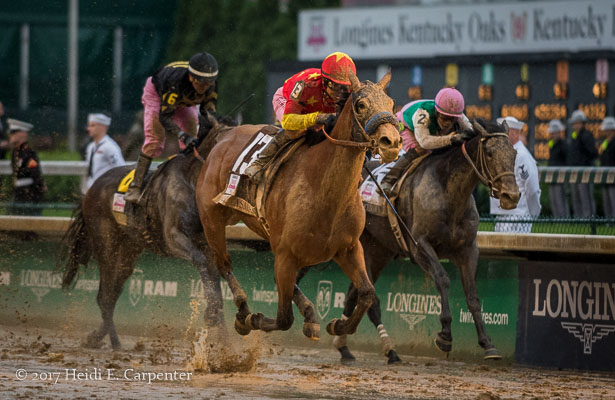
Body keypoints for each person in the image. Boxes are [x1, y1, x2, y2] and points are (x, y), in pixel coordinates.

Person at [243, 52, 356, 183]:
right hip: (286, 99)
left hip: (316, 108)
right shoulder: (305, 84)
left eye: (344, 87)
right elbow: (288, 121)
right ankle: (259, 163)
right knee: (295, 130)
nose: (339, 92)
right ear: (324, 80)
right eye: (334, 86)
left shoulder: (350, 92)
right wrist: (317, 118)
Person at [124, 52, 219, 204]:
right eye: (201, 84)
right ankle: (135, 187)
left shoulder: (211, 86)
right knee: (155, 139)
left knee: (193, 134)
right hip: (158, 95)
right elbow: (165, 117)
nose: (204, 88)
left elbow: (207, 112)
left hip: (184, 101)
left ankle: (190, 181)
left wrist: (218, 125)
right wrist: (182, 135)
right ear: (191, 78)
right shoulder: (175, 82)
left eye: (208, 84)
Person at [379, 88, 473, 196]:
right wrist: (450, 139)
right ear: (437, 112)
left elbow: (471, 132)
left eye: (452, 119)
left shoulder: (459, 116)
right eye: (444, 118)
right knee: (421, 150)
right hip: (405, 126)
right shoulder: (422, 113)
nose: (447, 123)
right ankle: (388, 181)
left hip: (425, 131)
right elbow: (424, 142)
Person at [490, 116, 541, 232]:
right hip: (502, 214)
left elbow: (532, 188)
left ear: (516, 134)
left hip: (517, 215)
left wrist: (533, 212)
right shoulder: (504, 154)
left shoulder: (522, 156)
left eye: (506, 132)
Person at [8, 119, 46, 216]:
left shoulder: (27, 152)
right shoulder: (15, 152)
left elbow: (35, 173)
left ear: (23, 134)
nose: (11, 135)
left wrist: (41, 186)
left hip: (29, 193)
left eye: (14, 132)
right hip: (19, 193)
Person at [567, 109, 598, 217]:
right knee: (576, 196)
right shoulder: (574, 136)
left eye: (575, 123)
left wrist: (584, 163)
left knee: (586, 197)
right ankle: (578, 218)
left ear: (581, 123)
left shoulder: (587, 135)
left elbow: (593, 153)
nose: (573, 126)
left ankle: (589, 218)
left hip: (585, 171)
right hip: (575, 171)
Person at [84, 113, 125, 192]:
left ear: (103, 127)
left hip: (104, 191)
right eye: (89, 125)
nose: (88, 129)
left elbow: (121, 168)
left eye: (92, 125)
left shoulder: (110, 147)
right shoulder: (91, 147)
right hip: (92, 189)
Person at [546, 119, 570, 217]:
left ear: (559, 132)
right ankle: (557, 218)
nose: (553, 134)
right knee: (554, 198)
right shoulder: (552, 144)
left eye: (555, 132)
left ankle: (564, 219)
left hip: (561, 175)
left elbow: (567, 160)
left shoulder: (564, 145)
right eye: (552, 133)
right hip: (552, 175)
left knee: (561, 198)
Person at [599, 116, 615, 217]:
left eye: (606, 130)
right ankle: (608, 221)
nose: (604, 132)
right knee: (607, 199)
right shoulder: (605, 142)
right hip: (605, 175)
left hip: (613, 176)